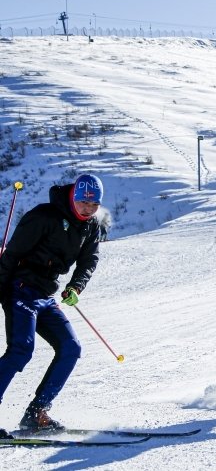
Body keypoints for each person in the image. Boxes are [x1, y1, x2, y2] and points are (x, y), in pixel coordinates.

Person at [0, 174, 104, 437]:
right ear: (73, 197)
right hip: (20, 289)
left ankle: (36, 414)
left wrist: (75, 287)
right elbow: (11, 254)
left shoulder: (90, 226)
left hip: (46, 294)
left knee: (71, 347)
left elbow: (88, 261)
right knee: (21, 350)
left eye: (94, 205)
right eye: (83, 203)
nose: (87, 209)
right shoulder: (44, 216)